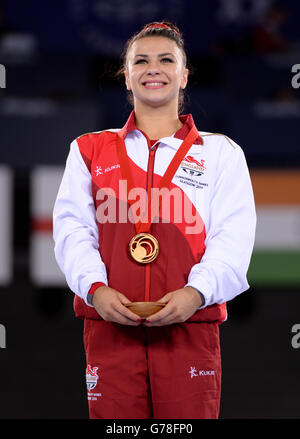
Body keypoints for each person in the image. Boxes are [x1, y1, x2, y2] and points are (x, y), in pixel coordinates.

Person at [53, 21, 256, 419]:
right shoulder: (88, 149)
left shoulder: (221, 153)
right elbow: (72, 232)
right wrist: (95, 289)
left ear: (184, 74)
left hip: (190, 328)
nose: (153, 68)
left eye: (166, 60)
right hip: (110, 325)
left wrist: (195, 294)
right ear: (126, 77)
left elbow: (232, 241)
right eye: (140, 61)